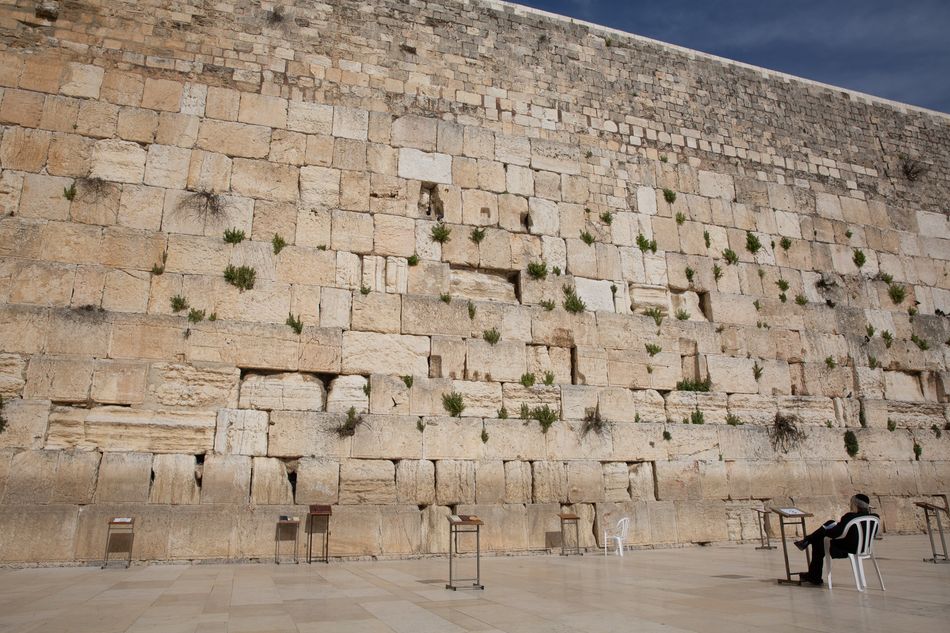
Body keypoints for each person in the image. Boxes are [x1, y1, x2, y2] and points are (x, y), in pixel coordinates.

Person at [793, 493, 878, 586]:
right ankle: (807, 543)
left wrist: (825, 531)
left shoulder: (849, 516)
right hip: (864, 548)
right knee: (830, 524)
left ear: (855, 504)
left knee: (818, 542)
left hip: (846, 550)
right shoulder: (875, 517)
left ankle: (814, 574)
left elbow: (836, 533)